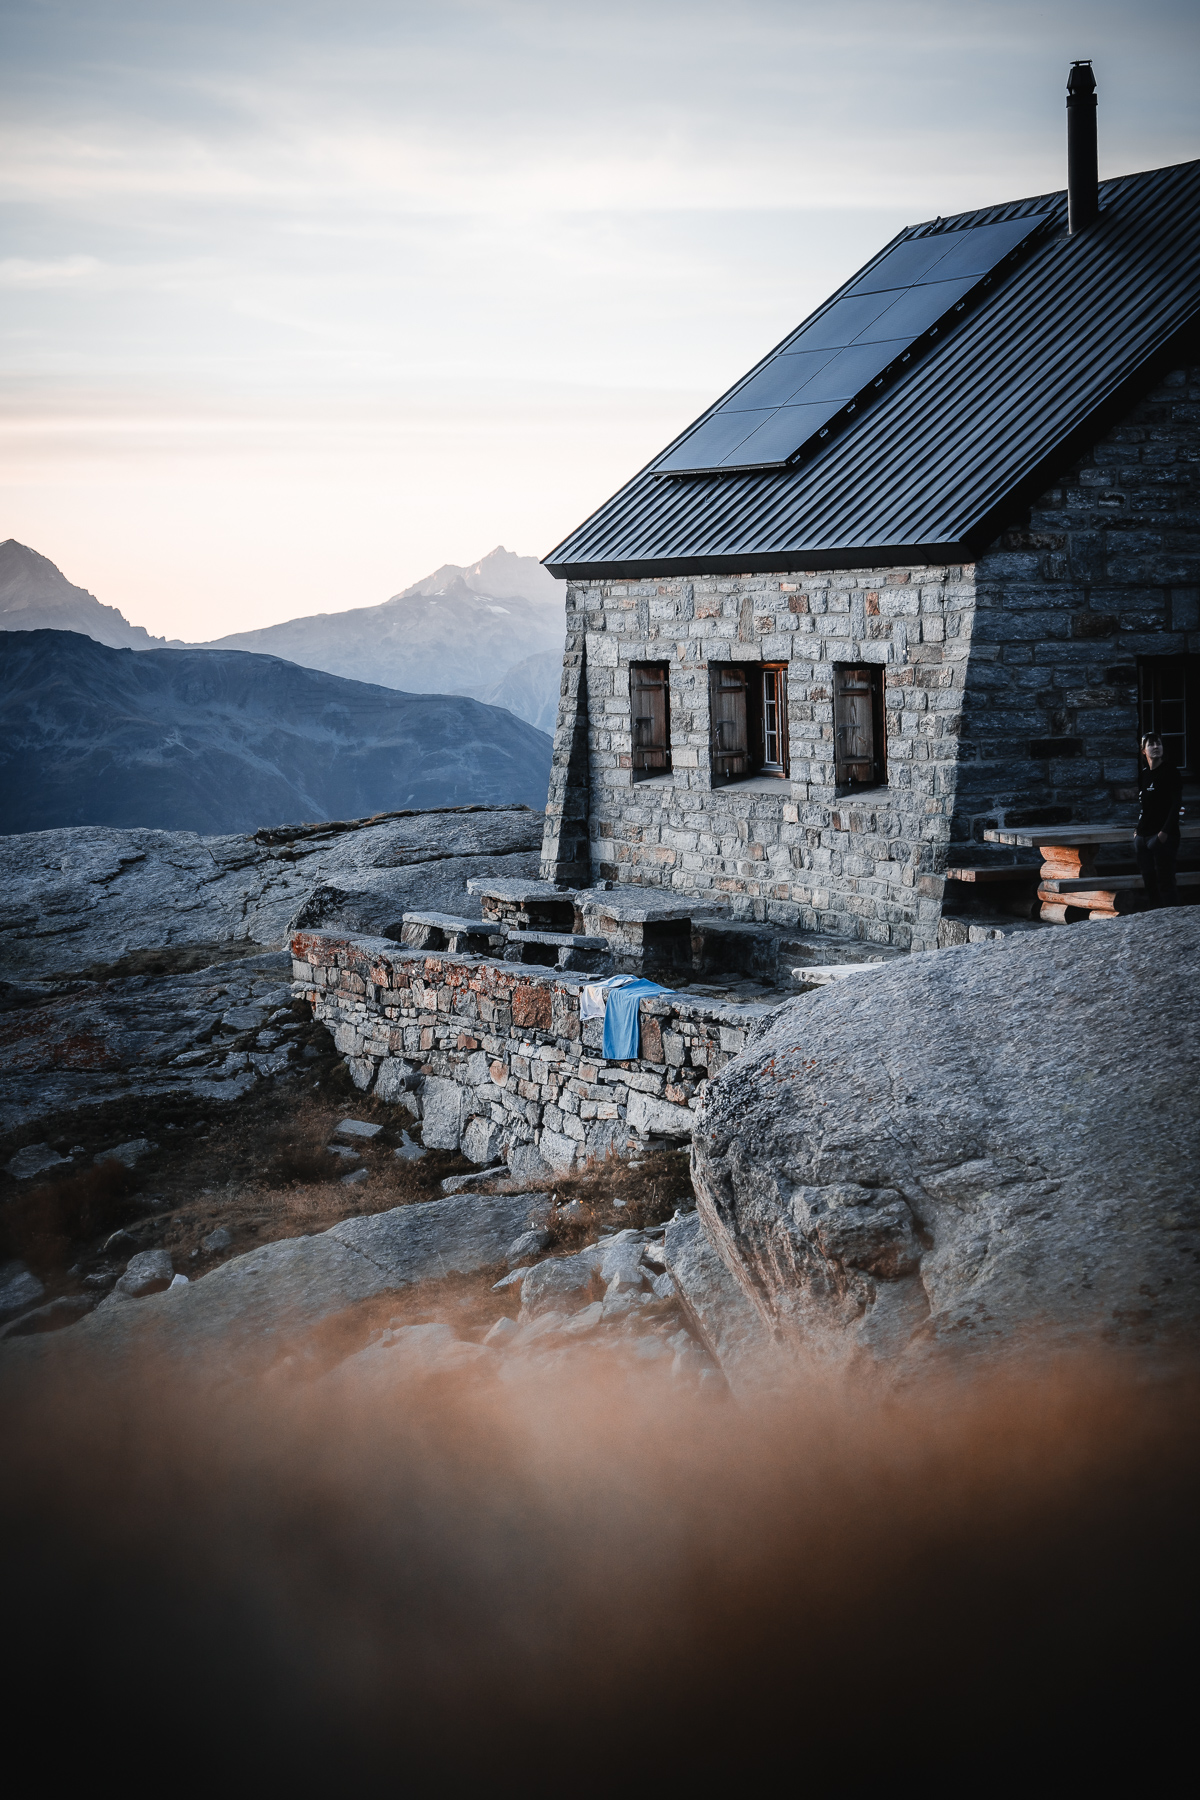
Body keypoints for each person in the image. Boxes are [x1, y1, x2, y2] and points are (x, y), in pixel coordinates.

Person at [1134, 733, 1183, 906]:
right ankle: (1154, 918)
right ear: (1143, 751)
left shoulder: (1171, 772)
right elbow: (1144, 806)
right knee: (1149, 882)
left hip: (1163, 837)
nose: (1156, 747)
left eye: (1159, 744)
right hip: (1143, 837)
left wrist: (1164, 833)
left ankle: (1173, 920)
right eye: (1151, 744)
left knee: (1165, 881)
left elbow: (1176, 805)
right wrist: (1137, 832)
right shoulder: (1144, 774)